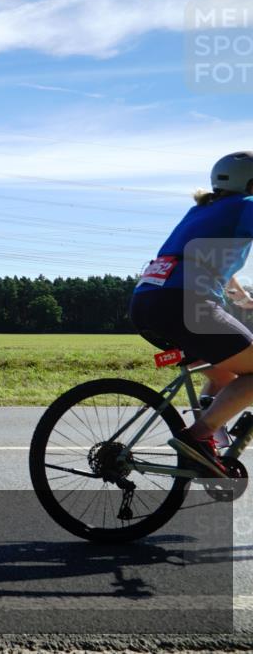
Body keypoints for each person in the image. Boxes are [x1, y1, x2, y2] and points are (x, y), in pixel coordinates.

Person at [130, 151, 253, 477]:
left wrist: (240, 296)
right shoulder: (247, 205)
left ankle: (212, 447)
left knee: (224, 374)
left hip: (147, 302)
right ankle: (198, 439)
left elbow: (200, 256)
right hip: (185, 303)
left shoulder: (203, 210)